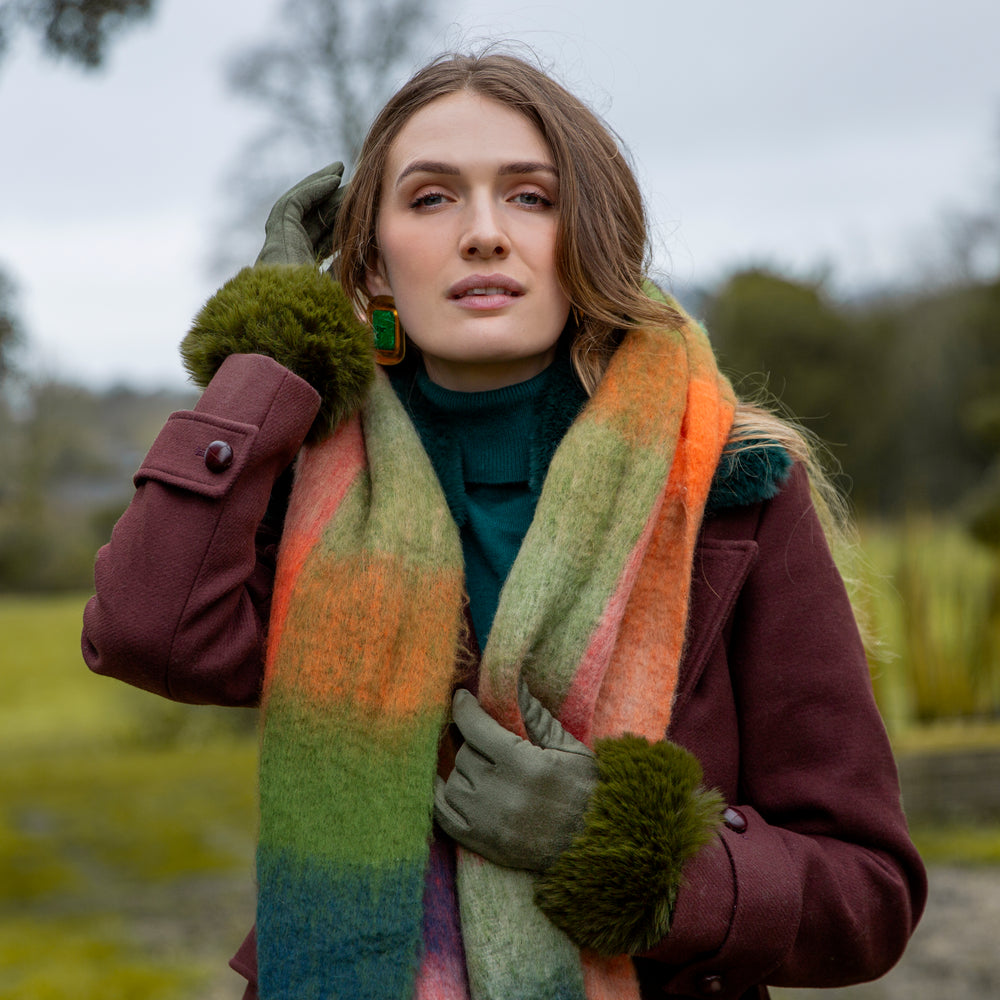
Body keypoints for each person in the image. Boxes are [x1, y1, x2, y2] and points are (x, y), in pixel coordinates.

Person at [82, 50, 926, 1000]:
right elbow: (143, 633)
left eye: (531, 197)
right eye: (432, 198)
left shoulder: (733, 486)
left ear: (588, 234)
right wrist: (271, 348)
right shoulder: (304, 478)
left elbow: (869, 894)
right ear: (371, 261)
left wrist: (629, 855)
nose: (484, 234)